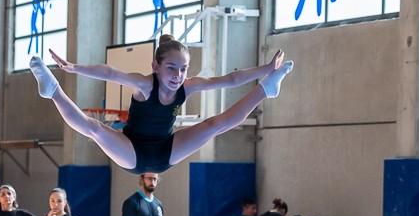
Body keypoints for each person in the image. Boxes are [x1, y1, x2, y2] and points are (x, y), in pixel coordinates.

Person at [28, 38, 292, 174]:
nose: (178, 75)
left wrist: (267, 68)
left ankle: (266, 89)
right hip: (132, 151)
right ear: (155, 66)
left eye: (183, 69)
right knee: (95, 129)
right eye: (171, 68)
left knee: (214, 125)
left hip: (166, 151)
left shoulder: (188, 86)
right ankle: (53, 90)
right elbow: (110, 73)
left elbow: (231, 79)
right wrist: (74, 68)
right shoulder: (145, 85)